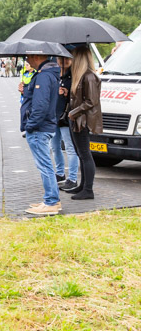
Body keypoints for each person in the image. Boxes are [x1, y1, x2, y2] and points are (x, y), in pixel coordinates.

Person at [20, 53, 61, 215]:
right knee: (46, 165)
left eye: (28, 57)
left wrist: (30, 126)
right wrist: (26, 90)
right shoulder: (49, 74)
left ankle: (51, 202)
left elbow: (40, 104)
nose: (26, 60)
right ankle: (52, 199)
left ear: (36, 56)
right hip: (44, 126)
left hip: (39, 128)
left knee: (44, 166)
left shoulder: (43, 76)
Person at [65, 47, 102, 200]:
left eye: (73, 57)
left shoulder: (89, 76)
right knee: (81, 154)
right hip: (76, 119)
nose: (71, 60)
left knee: (85, 154)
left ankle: (88, 189)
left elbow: (91, 101)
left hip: (82, 120)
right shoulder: (80, 76)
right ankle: (83, 186)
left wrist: (73, 112)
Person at [52, 56, 78, 189]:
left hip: (66, 117)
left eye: (67, 59)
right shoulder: (55, 76)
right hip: (54, 116)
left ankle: (72, 178)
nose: (63, 62)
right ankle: (60, 173)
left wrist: (68, 94)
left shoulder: (73, 77)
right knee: (55, 147)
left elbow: (78, 97)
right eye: (60, 59)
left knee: (70, 148)